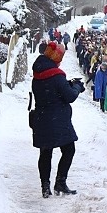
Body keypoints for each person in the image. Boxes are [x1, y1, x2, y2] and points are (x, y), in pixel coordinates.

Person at [31, 41, 84, 198]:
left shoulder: (38, 72)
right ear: (56, 57)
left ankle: (45, 186)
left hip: (42, 118)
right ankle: (60, 182)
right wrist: (76, 87)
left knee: (45, 152)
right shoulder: (57, 74)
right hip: (58, 119)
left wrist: (66, 84)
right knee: (68, 150)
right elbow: (69, 96)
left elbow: (50, 90)